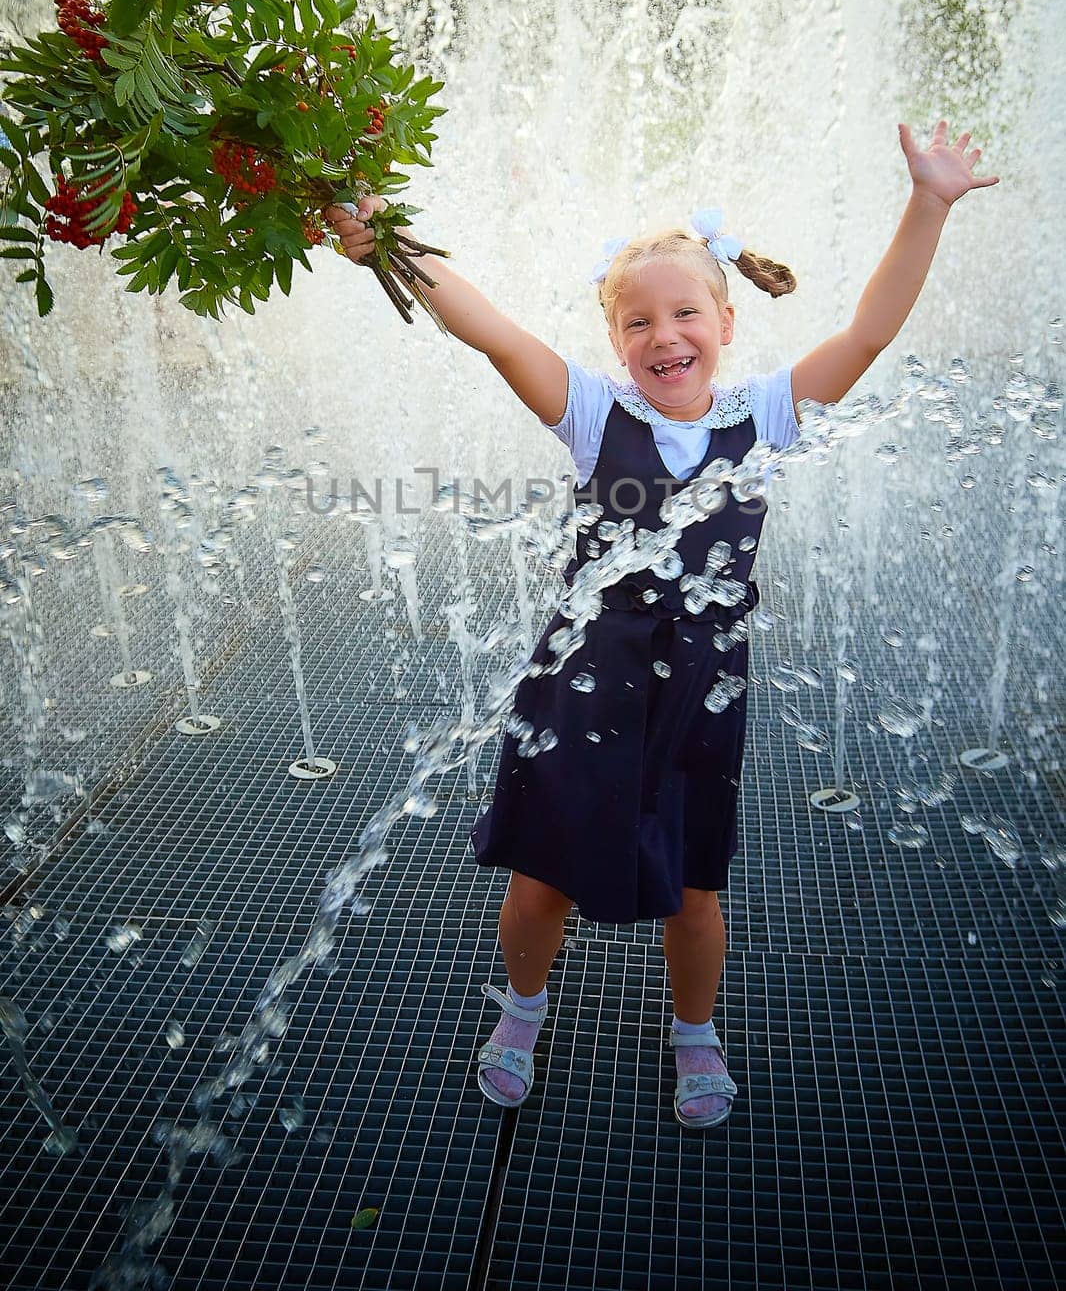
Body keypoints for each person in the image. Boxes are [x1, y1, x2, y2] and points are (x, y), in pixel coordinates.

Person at [326, 119, 998, 1131]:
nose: (663, 337)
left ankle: (694, 1031)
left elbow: (867, 331)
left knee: (693, 887)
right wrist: (394, 245)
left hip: (697, 694)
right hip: (583, 681)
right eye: (637, 324)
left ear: (724, 320)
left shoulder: (766, 418)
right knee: (543, 875)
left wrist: (928, 203)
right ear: (614, 343)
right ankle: (520, 1008)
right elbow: (495, 330)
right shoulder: (595, 417)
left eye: (685, 313)